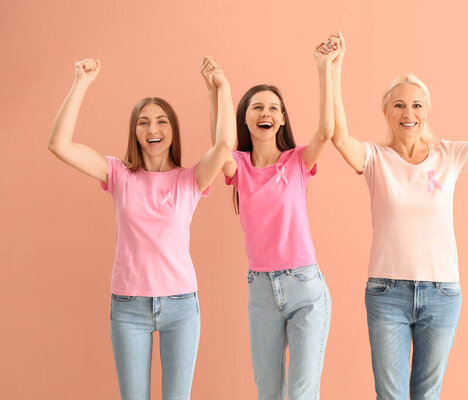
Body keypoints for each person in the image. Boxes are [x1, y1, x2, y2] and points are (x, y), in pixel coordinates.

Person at [327, 33, 468, 400]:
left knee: (427, 395)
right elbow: (339, 137)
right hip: (387, 293)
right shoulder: (374, 158)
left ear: (427, 112)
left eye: (417, 105)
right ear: (386, 111)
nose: (409, 114)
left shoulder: (449, 155)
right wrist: (333, 69)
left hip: (442, 294)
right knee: (390, 396)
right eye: (400, 105)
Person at [48, 56, 236, 400]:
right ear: (134, 131)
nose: (153, 130)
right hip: (128, 307)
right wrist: (81, 82)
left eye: (162, 122)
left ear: (172, 131)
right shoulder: (118, 173)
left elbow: (225, 146)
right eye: (144, 122)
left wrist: (221, 88)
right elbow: (59, 145)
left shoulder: (190, 179)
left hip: (181, 307)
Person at [204, 37, 339, 399]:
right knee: (268, 392)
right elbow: (219, 145)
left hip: (306, 288)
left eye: (273, 108)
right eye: (256, 107)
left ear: (281, 119)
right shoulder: (239, 166)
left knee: (301, 392)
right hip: (261, 291)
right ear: (244, 118)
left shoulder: (297, 161)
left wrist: (324, 68)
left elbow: (326, 132)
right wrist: (218, 89)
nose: (265, 113)